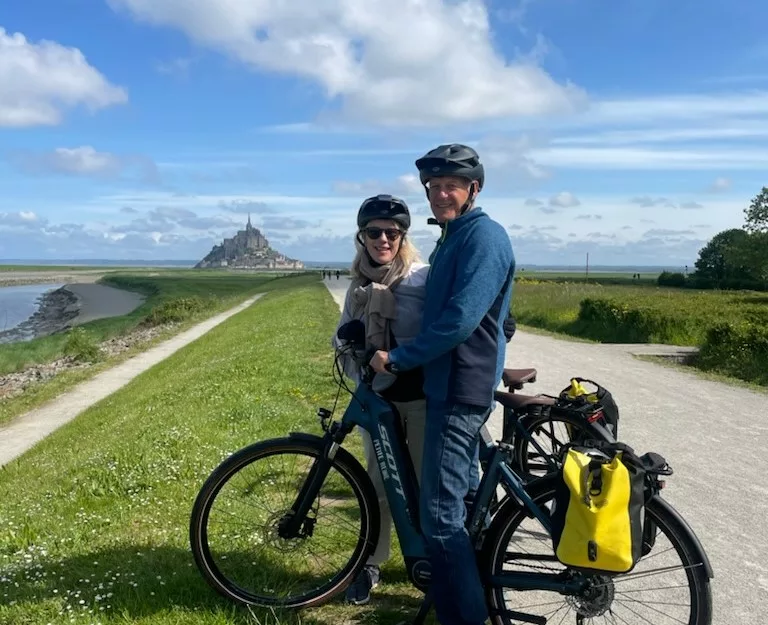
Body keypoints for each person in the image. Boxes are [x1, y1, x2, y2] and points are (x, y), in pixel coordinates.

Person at [370, 144, 515, 625]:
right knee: (464, 509)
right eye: (433, 187)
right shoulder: (452, 237)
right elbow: (494, 318)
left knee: (440, 518)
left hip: (457, 392)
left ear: (474, 188)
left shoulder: (483, 238)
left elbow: (457, 321)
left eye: (451, 185)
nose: (440, 194)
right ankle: (480, 601)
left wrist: (400, 358)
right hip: (449, 385)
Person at [332, 194, 430, 606]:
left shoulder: (421, 279)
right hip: (379, 400)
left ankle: (433, 562)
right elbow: (341, 335)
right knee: (378, 483)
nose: (383, 239)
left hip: (420, 398)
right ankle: (372, 563)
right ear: (362, 237)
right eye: (374, 232)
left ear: (403, 236)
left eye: (392, 232)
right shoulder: (357, 285)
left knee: (427, 484)